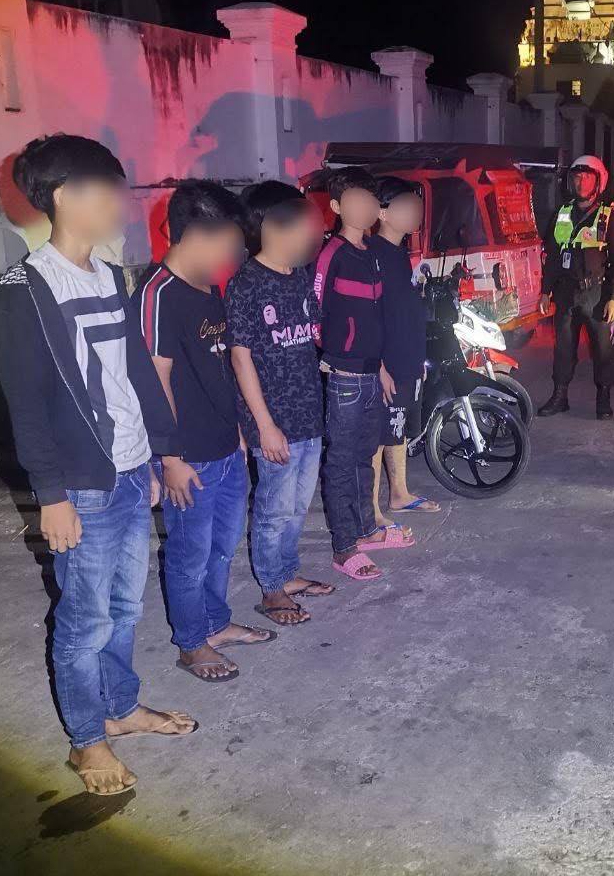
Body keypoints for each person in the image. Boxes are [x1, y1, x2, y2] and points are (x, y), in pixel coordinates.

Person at [0, 134, 197, 797]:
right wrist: (50, 496)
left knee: (125, 608)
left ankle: (120, 706)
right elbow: (26, 408)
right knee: (85, 623)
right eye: (109, 189)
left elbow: (135, 373)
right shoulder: (22, 292)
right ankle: (87, 740)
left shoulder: (110, 276)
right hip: (82, 487)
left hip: (131, 473)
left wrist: (162, 452)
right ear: (65, 197)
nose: (121, 201)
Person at [135, 180, 275, 682]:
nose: (232, 254)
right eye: (228, 242)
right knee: (189, 554)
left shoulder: (208, 287)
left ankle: (215, 623)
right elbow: (156, 381)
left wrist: (238, 431)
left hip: (226, 446)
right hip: (188, 456)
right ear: (197, 234)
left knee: (220, 547)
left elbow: (217, 368)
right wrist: (170, 459)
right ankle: (192, 643)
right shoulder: (158, 294)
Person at [228, 180, 335, 628]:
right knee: (274, 508)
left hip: (308, 412)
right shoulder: (246, 283)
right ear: (272, 226)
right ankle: (272, 587)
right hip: (274, 420)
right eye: (301, 222)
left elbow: (309, 337)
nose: (310, 231)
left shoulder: (298, 277)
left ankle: (287, 574)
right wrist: (264, 425)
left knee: (298, 505)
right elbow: (240, 357)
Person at [314, 167, 414, 581]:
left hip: (372, 373)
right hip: (346, 377)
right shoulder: (332, 254)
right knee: (341, 461)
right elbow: (315, 311)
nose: (367, 207)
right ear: (337, 207)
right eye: (357, 200)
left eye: (371, 200)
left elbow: (376, 318)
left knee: (364, 457)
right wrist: (336, 355)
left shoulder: (371, 251)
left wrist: (382, 366)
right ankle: (344, 548)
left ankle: (367, 529)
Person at [369, 176, 440, 525]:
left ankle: (399, 494)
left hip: (406, 359)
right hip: (386, 363)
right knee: (377, 437)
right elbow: (369, 317)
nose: (416, 213)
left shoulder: (399, 253)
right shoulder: (372, 255)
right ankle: (371, 511)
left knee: (397, 428)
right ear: (382, 212)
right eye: (407, 206)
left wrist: (416, 359)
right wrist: (378, 366)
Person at [537, 154, 614, 420]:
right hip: (566, 292)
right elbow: (553, 257)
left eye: (587, 177)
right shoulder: (562, 214)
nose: (580, 182)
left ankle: (603, 397)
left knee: (602, 349)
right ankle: (560, 396)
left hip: (596, 294)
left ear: (598, 182)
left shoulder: (609, 216)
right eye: (576, 177)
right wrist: (545, 291)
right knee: (563, 348)